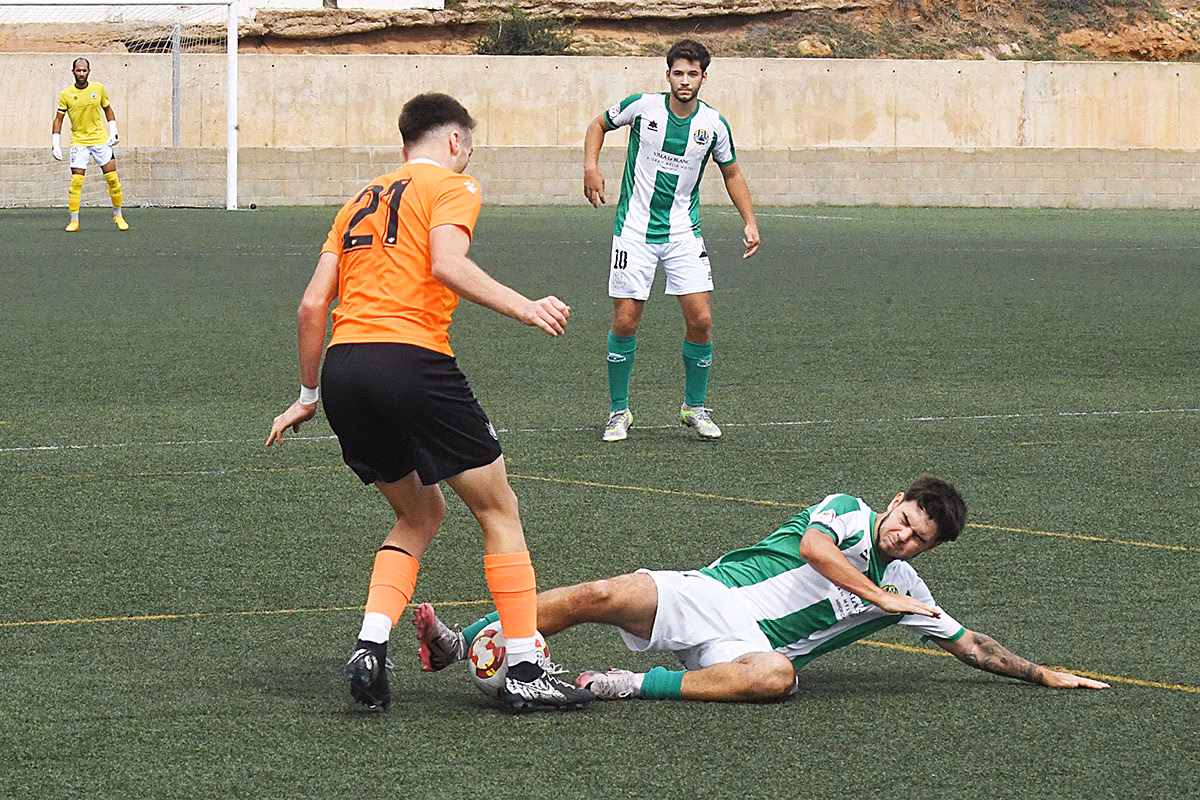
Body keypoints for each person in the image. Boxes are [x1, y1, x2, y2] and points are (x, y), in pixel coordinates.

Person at [266, 92, 593, 713]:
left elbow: (313, 306)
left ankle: (371, 643)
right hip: (412, 361)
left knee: (420, 516)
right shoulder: (451, 186)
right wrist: (525, 306)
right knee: (500, 512)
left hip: (345, 370)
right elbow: (446, 263)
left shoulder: (358, 200)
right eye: (469, 145)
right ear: (453, 142)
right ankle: (525, 666)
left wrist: (308, 395)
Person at [415, 475, 1110, 701]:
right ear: (894, 502)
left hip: (740, 647)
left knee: (778, 678)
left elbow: (974, 646)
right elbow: (815, 550)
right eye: (906, 522)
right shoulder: (846, 512)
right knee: (597, 595)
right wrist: (879, 598)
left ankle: (628, 685)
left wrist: (1043, 673)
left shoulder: (905, 585)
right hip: (715, 594)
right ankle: (465, 641)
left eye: (920, 538)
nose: (904, 538)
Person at [583, 39, 760, 442]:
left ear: (703, 78)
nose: (684, 80)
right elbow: (598, 125)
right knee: (626, 321)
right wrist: (591, 167)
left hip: (683, 232)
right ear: (668, 75)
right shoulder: (642, 107)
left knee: (701, 320)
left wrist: (749, 220)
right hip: (634, 230)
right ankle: (618, 412)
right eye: (678, 73)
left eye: (692, 74)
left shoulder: (713, 124)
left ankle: (693, 408)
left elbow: (731, 173)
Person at [52, 58, 129, 232]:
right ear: (73, 72)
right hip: (79, 142)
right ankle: (74, 220)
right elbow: (58, 119)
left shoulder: (98, 89)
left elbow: (108, 109)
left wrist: (113, 129)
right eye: (78, 70)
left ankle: (118, 215)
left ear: (89, 71)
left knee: (113, 179)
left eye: (84, 70)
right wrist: (55, 142)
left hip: (100, 140)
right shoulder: (66, 94)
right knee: (77, 182)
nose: (81, 73)